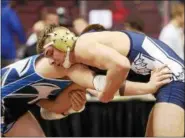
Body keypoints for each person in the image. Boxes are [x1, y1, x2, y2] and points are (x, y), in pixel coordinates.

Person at [38, 24, 184, 136]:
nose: (51, 62)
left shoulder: (82, 46)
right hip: (169, 80)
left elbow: (121, 66)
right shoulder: (82, 60)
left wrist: (105, 95)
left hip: (173, 76)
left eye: (50, 53)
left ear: (62, 41)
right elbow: (116, 84)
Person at [1, 0, 26, 67]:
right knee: (8, 71)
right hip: (7, 48)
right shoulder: (8, 12)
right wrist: (23, 42)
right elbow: (17, 27)